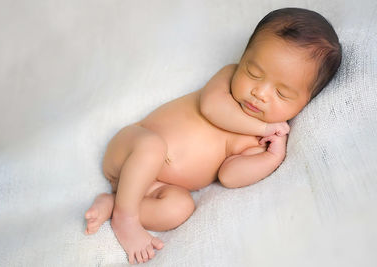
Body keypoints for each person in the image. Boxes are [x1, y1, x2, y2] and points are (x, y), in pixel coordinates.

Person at [84, 7, 341, 264]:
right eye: (253, 73)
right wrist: (262, 128)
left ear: (305, 103)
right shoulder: (228, 80)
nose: (260, 93)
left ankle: (114, 204)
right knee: (151, 148)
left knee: (179, 209)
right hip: (131, 147)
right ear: (242, 59)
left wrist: (272, 157)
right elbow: (211, 108)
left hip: (156, 187)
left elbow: (229, 176)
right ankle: (125, 218)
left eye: (282, 93)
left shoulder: (260, 143)